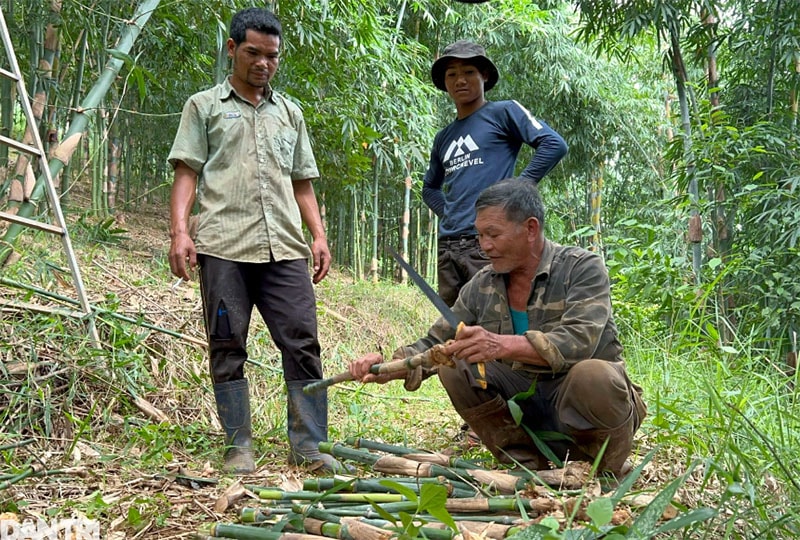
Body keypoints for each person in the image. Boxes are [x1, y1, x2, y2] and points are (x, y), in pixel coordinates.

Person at [350, 179, 646, 479]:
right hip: (529, 411)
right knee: (456, 363)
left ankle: (604, 469)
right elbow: (436, 341)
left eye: (493, 234)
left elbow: (578, 340)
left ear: (530, 229)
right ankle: (525, 467)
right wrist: (388, 367)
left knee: (594, 375)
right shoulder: (482, 284)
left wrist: (499, 345)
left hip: (582, 407)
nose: (484, 245)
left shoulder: (581, 268)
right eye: (480, 235)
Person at [167, 7, 346, 475]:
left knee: (303, 342)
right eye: (253, 53)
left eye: (272, 56)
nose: (264, 63)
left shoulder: (290, 113)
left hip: (285, 247)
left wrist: (318, 235)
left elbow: (302, 181)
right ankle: (238, 446)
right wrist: (180, 231)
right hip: (223, 246)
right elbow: (187, 172)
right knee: (227, 344)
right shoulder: (204, 106)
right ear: (232, 49)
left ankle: (309, 445)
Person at [423, 40, 568, 307]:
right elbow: (429, 188)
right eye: (452, 74)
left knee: (496, 318)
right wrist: (450, 214)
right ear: (444, 82)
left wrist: (517, 190)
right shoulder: (443, 137)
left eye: (469, 72)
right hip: (449, 245)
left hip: (489, 240)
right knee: (454, 322)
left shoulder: (503, 112)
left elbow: (553, 144)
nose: (460, 80)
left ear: (485, 75)